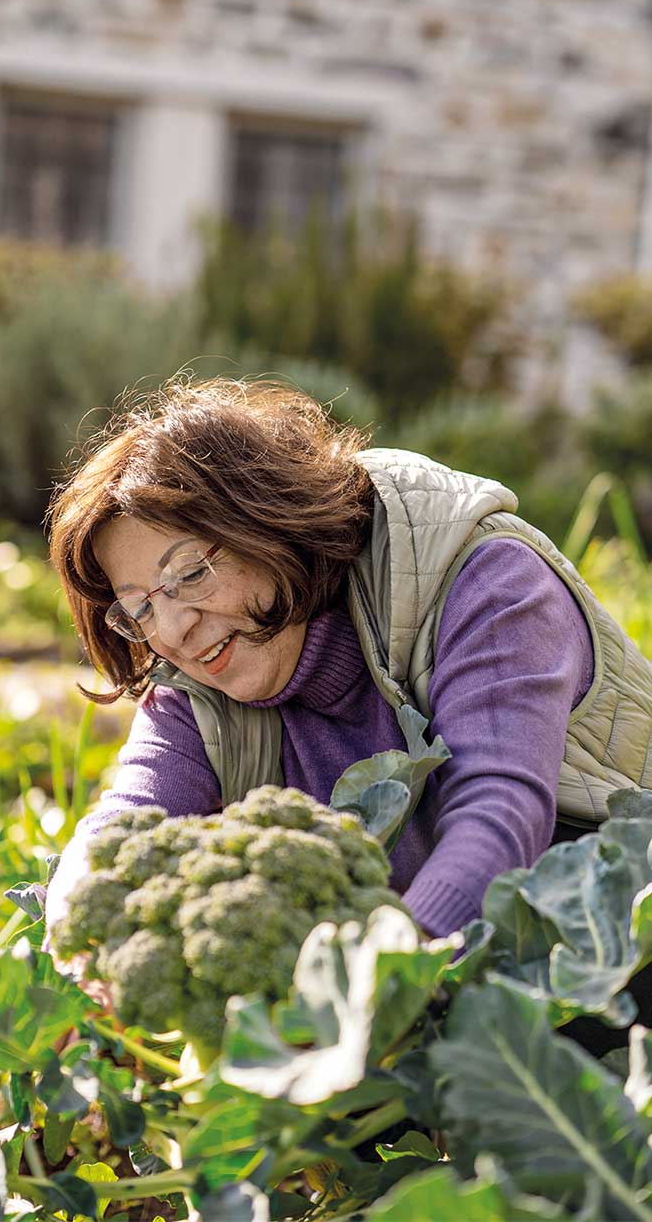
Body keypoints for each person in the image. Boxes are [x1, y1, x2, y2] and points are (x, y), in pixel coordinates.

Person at [44, 378, 652, 944]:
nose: (173, 630)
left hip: (610, 947)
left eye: (190, 573)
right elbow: (122, 829)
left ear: (268, 523)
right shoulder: (195, 685)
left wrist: (376, 986)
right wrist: (76, 940)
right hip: (432, 980)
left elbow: (498, 817)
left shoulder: (487, 583)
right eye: (139, 608)